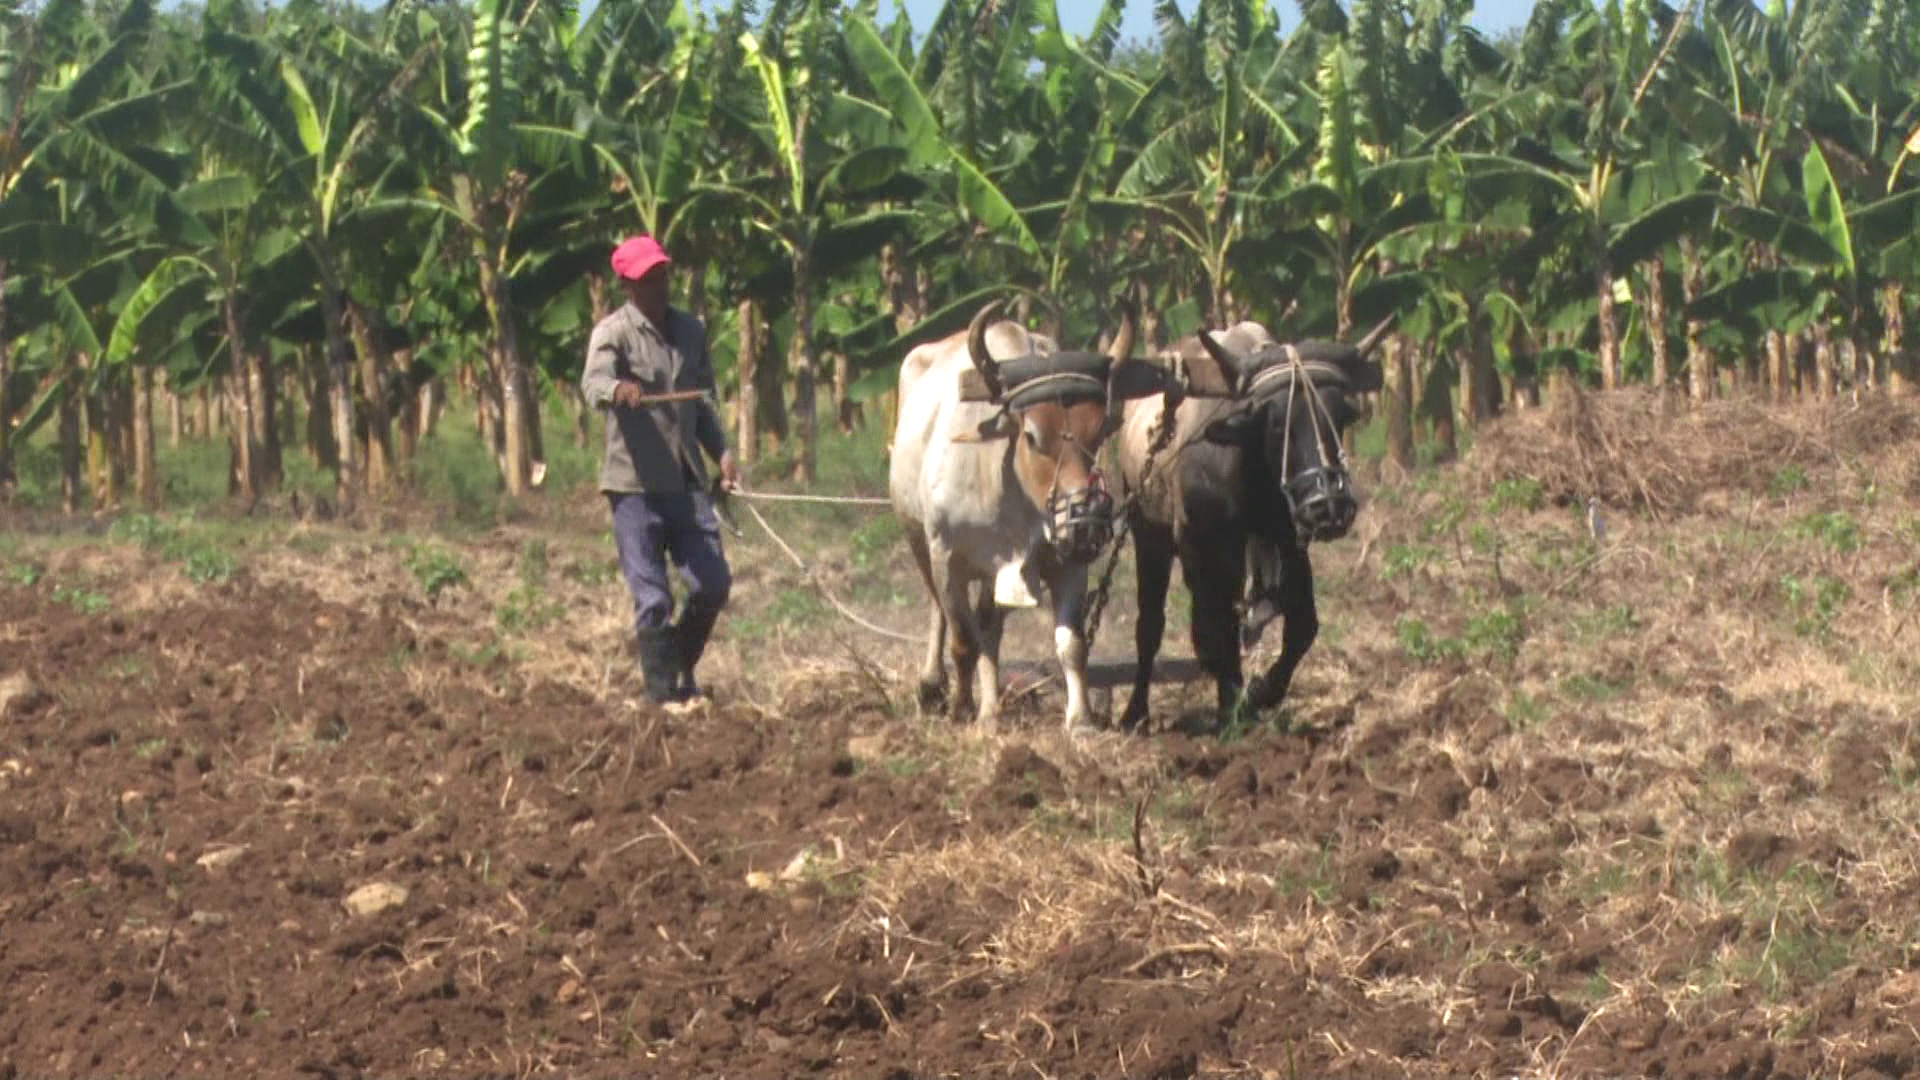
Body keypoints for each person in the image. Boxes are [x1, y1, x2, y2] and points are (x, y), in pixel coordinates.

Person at [582, 235, 740, 706]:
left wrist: (723, 454)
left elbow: (702, 405)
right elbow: (592, 384)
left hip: (686, 481)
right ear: (628, 285)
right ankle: (660, 697)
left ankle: (677, 667)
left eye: (663, 276)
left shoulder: (691, 332)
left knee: (713, 584)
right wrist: (617, 390)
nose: (659, 286)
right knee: (653, 600)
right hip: (634, 486)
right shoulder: (613, 333)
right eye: (648, 280)